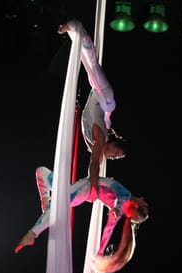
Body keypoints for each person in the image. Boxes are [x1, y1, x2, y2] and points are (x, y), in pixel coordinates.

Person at [15, 167, 148, 273]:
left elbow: (108, 229)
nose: (143, 199)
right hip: (81, 187)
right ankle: (45, 201)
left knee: (57, 206)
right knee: (41, 172)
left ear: (137, 207)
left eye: (144, 205)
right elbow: (118, 201)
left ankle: (32, 234)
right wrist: (100, 253)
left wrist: (100, 253)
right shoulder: (124, 200)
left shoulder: (124, 203)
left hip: (84, 190)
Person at [58, 20, 127, 201]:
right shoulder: (100, 139)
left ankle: (75, 33)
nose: (112, 157)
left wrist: (94, 187)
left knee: (89, 64)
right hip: (105, 99)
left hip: (98, 97)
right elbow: (94, 164)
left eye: (115, 158)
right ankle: (76, 27)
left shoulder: (95, 144)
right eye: (115, 153)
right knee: (91, 63)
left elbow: (95, 161)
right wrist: (94, 189)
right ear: (112, 144)